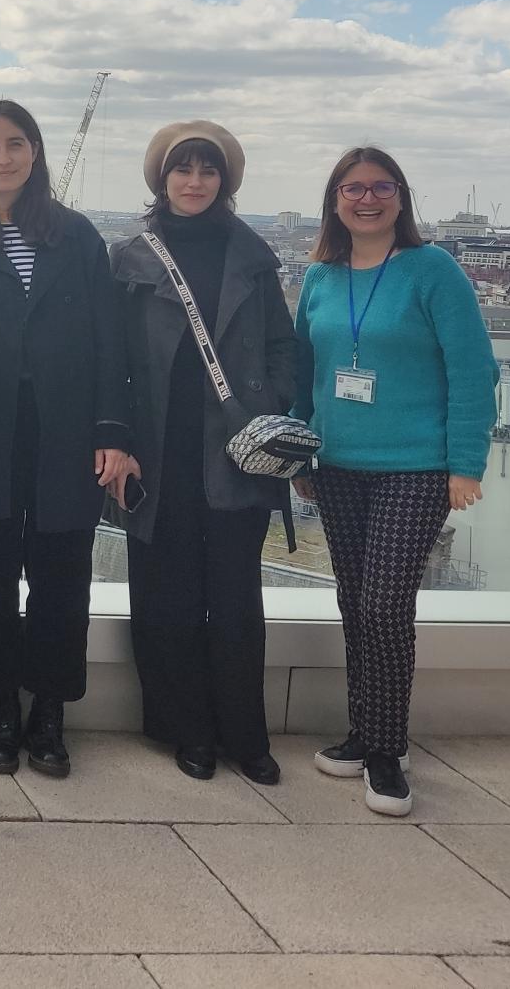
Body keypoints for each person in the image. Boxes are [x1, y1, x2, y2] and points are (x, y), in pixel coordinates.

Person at [0, 99, 134, 779]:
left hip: (64, 432)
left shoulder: (74, 236)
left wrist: (111, 429)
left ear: (37, 153)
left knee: (60, 578)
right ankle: (0, 709)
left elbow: (109, 339)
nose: (3, 156)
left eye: (16, 143)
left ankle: (50, 710)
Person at [294, 146, 498, 817]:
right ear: (335, 201)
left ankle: (387, 750)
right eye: (352, 188)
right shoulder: (321, 277)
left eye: (381, 186)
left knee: (385, 605)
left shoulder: (432, 270)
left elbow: (473, 369)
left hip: (415, 467)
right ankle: (365, 733)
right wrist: (299, 456)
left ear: (402, 198)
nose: (367, 197)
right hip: (339, 465)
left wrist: (465, 464)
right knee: (355, 603)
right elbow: (304, 374)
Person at [110, 122, 294, 786]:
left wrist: (266, 406)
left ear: (225, 181)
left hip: (236, 452)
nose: (193, 181)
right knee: (167, 595)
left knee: (237, 596)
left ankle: (246, 735)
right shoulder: (131, 257)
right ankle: (184, 729)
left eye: (206, 170)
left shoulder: (252, 255)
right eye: (182, 169)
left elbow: (282, 346)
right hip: (158, 451)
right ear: (162, 178)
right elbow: (112, 359)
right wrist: (118, 437)